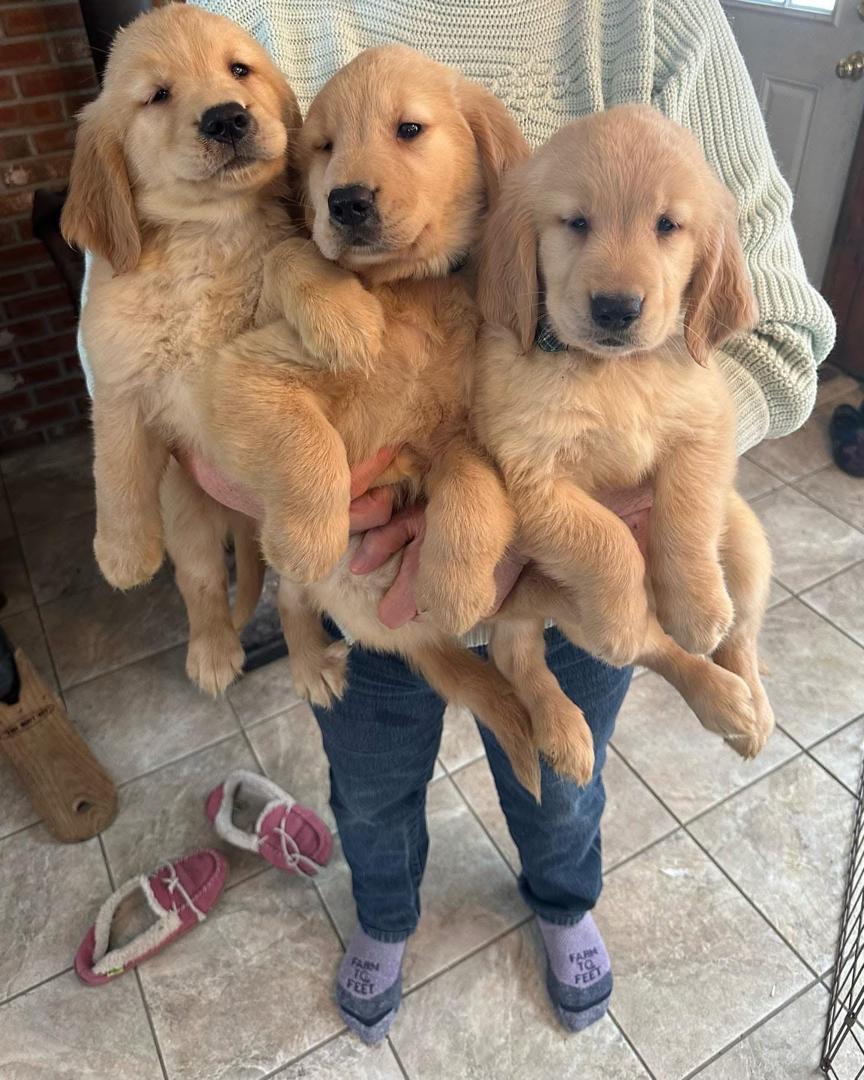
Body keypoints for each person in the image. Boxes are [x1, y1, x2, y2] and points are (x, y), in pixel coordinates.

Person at [85, 0, 836, 1044]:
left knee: (566, 788)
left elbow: (777, 332)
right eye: (325, 150)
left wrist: (589, 502)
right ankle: (386, 918)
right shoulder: (248, 29)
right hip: (362, 584)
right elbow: (144, 309)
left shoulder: (656, 20)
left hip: (570, 557)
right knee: (370, 789)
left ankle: (562, 901)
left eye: (408, 133)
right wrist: (258, 479)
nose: (351, 178)